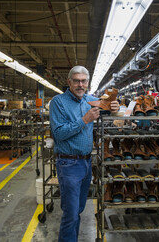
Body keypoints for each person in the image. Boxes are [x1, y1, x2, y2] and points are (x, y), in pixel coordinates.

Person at [49, 66, 119, 242]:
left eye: (84, 81)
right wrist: (84, 120)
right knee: (71, 214)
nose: (80, 84)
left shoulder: (91, 100)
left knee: (79, 209)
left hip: (87, 163)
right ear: (69, 82)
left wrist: (115, 107)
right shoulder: (58, 102)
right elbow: (58, 133)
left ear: (88, 83)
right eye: (77, 81)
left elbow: (112, 110)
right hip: (69, 164)